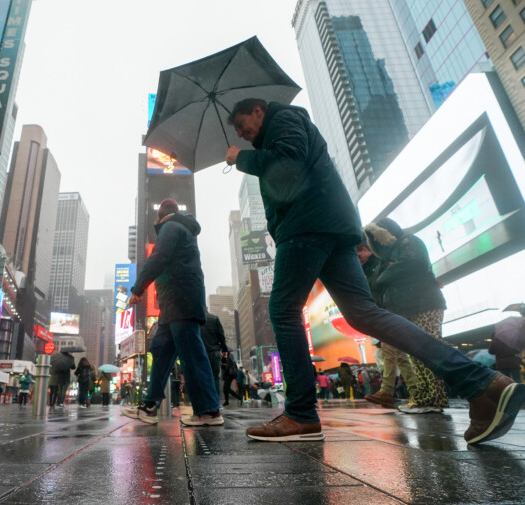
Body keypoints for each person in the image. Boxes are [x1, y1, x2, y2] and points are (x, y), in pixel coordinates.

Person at [224, 97, 525, 444]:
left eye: (243, 124)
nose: (243, 133)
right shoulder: (280, 129)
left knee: (282, 308)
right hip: (330, 227)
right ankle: (482, 383)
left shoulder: (284, 119)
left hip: (308, 227)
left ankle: (300, 414)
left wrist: (241, 158)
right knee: (365, 314)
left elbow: (288, 165)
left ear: (259, 110)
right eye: (238, 132)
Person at [122, 198, 223, 426]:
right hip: (173, 304)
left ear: (160, 215)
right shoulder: (181, 228)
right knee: (161, 350)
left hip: (181, 300)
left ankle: (208, 411)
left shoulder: (171, 227)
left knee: (192, 354)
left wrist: (138, 289)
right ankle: (149, 406)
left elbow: (158, 258)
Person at [364, 219, 449, 414]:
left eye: (379, 238)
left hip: (425, 305)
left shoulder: (408, 241)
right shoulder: (390, 256)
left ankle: (434, 399)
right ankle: (425, 398)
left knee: (428, 351)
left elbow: (413, 262)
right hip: (410, 308)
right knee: (417, 354)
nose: (378, 244)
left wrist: (385, 275)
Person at [358, 241, 419, 409]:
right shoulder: (368, 268)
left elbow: (384, 287)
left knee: (389, 353)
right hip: (385, 312)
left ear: (365, 249)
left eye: (359, 255)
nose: (358, 259)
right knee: (399, 357)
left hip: (390, 311)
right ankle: (416, 391)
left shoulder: (380, 263)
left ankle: (386, 391)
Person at [199, 309, 229, 396]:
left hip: (201, 353)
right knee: (215, 377)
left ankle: (206, 401)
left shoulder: (196, 320)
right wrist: (224, 350)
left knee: (203, 377)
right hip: (214, 352)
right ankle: (216, 402)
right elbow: (221, 336)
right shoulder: (214, 318)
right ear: (207, 308)